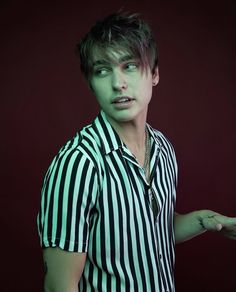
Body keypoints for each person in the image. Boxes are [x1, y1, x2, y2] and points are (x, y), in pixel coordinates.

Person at [37, 11, 236, 292]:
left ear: (154, 74)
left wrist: (206, 220)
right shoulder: (77, 164)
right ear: (91, 83)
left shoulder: (163, 148)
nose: (118, 84)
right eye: (102, 70)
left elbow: (151, 230)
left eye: (129, 66)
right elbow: (60, 286)